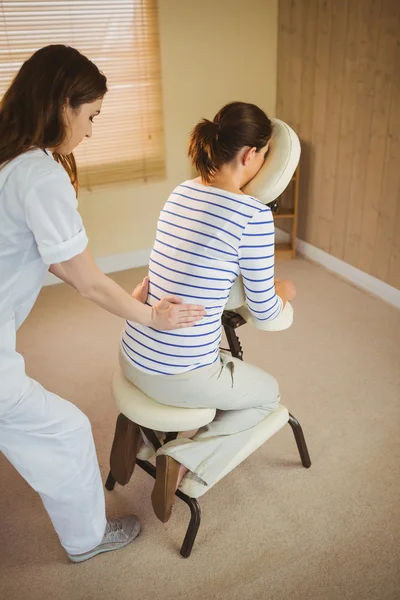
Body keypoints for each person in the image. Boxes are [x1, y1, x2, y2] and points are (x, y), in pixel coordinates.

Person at [0, 45, 205, 563]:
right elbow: (87, 280)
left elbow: (53, 259)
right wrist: (151, 315)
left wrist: (108, 291)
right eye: (90, 116)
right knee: (66, 430)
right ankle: (88, 538)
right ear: (63, 103)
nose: (90, 131)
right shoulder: (38, 174)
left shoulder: (12, 158)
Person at [119, 101, 297, 523]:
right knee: (266, 397)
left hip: (132, 352)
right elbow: (267, 314)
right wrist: (283, 291)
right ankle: (180, 457)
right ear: (251, 156)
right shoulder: (252, 215)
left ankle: (139, 436)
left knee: (217, 365)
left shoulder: (182, 190)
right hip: (176, 374)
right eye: (265, 154)